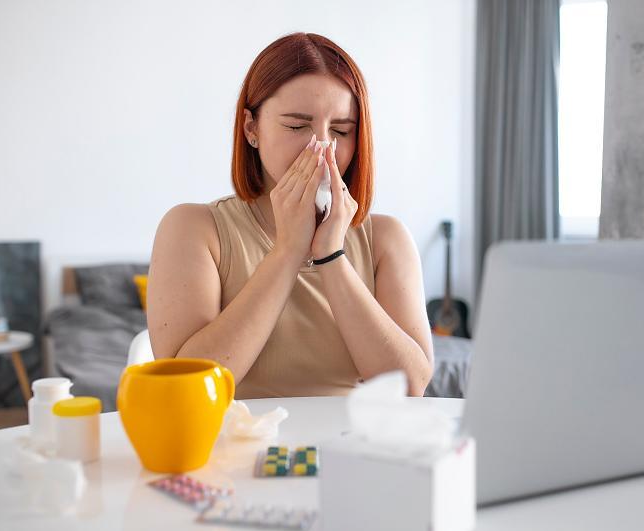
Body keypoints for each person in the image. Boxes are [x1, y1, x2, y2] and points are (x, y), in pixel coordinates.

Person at [147, 32, 433, 398]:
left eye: (341, 130)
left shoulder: (387, 239)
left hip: (353, 448)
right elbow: (184, 390)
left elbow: (411, 387)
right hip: (238, 448)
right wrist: (287, 251)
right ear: (251, 128)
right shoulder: (193, 229)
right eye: (298, 126)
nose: (323, 146)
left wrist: (331, 254)